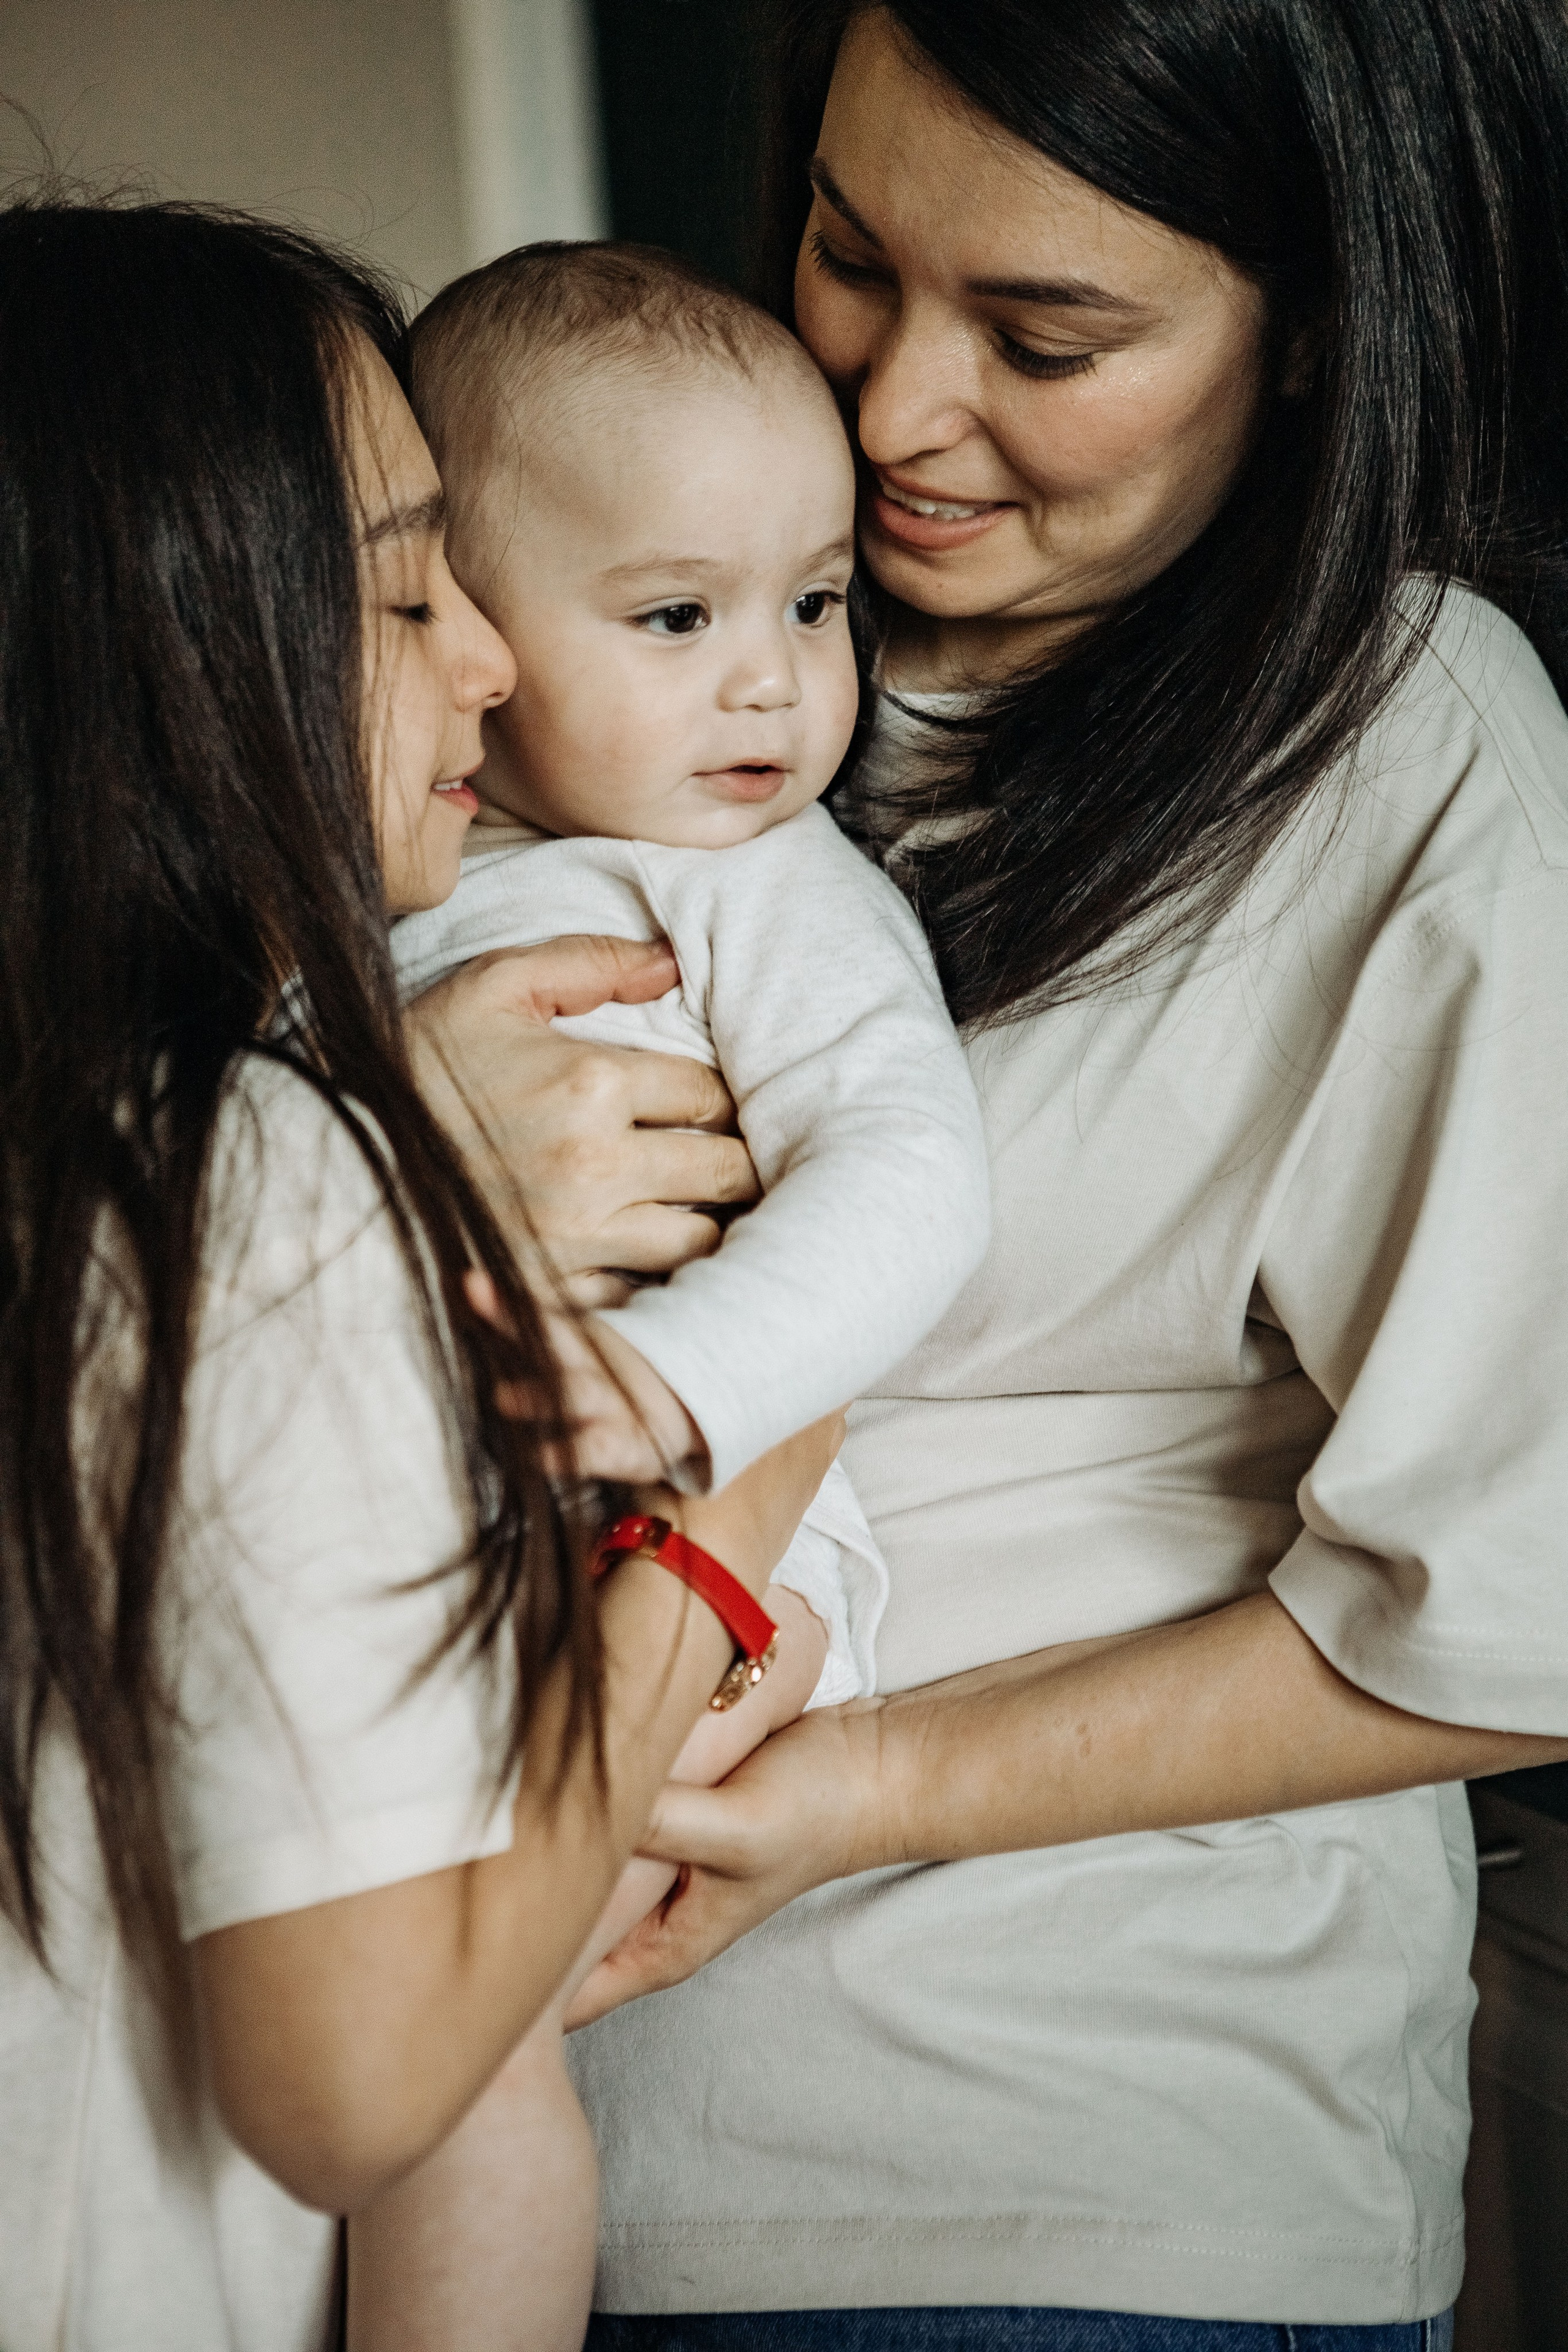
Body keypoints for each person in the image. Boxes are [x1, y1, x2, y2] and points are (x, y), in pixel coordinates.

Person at [398, 2, 1568, 2345]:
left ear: (1315, 329)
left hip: (1049, 2163)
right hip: (441, 2101)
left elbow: (1518, 1612)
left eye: (1044, 340)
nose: (892, 410)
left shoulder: (1414, 756)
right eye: (851, 255)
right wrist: (391, 1141)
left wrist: (843, 1793)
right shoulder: (557, 616)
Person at [0, 196, 837, 2352]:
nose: (491, 659)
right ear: (172, 645)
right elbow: (360, 2085)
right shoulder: (246, 1185)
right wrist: (731, 1525)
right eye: (401, 591)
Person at [352, 237, 989, 2352]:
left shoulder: (758, 886)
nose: (776, 686)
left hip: (698, 1551)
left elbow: (914, 1182)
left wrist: (675, 1381)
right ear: (465, 622)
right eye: (677, 617)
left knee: (464, 2041)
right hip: (436, 1556)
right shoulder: (377, 870)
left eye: (817, 603)